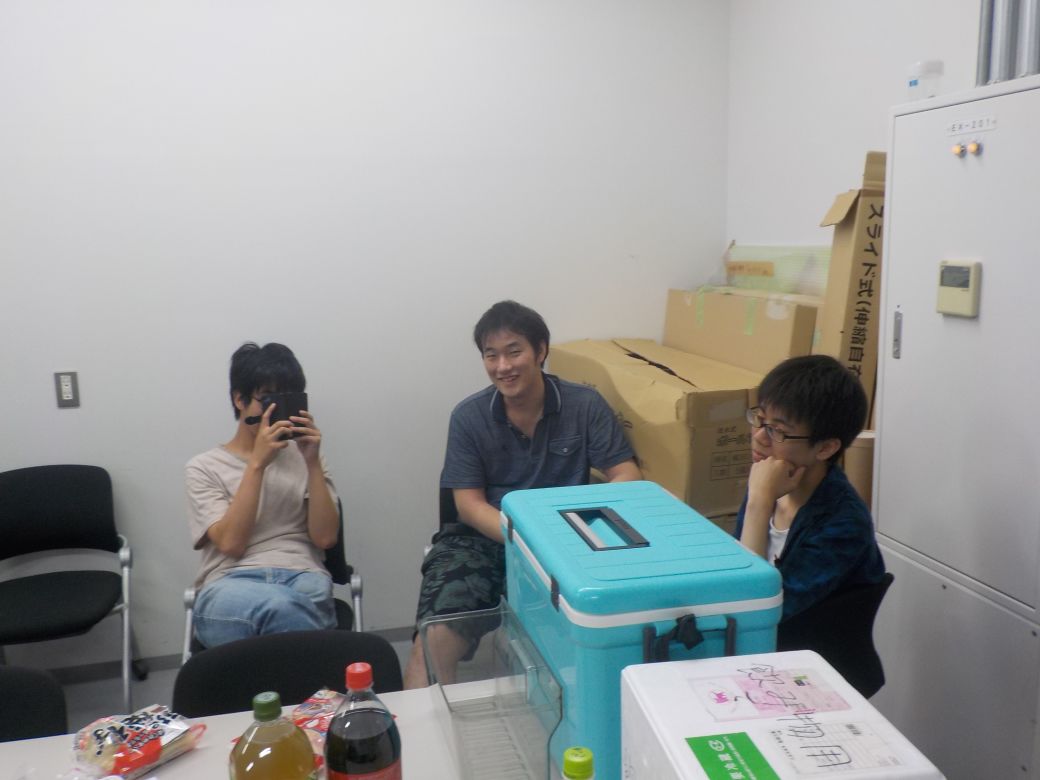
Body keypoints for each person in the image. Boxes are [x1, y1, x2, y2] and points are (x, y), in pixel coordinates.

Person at [403, 301, 641, 688]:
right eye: (491, 355)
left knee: (599, 631)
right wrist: (528, 537)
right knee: (432, 640)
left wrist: (578, 526)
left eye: (514, 352)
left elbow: (627, 475)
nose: (503, 366)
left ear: (541, 350)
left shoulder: (584, 405)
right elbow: (468, 505)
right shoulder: (468, 417)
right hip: (484, 539)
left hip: (569, 542)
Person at [185, 342, 340, 648]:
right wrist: (257, 464)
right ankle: (323, 672)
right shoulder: (203, 467)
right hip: (230, 583)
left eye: (288, 398)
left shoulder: (307, 459)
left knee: (295, 604)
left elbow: (325, 539)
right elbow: (232, 543)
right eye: (267, 398)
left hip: (302, 576)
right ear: (239, 399)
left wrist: (311, 462)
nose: (276, 410)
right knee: (282, 608)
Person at [734, 354, 885, 621]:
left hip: (804, 644)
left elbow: (757, 610)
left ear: (825, 448)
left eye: (777, 431)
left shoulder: (844, 522)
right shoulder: (771, 478)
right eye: (760, 419)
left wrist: (759, 502)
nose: (759, 437)